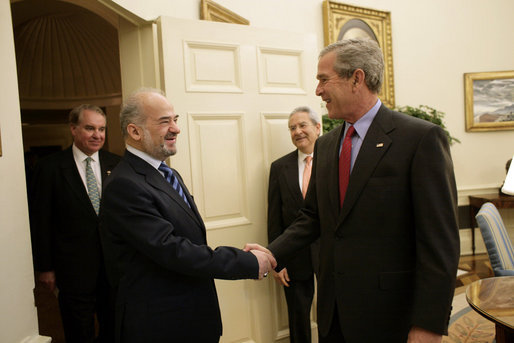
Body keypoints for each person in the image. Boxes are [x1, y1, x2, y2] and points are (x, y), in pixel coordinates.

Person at [247, 38, 460, 342]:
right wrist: (271, 253)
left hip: (391, 316)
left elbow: (440, 242)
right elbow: (312, 217)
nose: (318, 90)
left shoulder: (419, 139)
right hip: (334, 314)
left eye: (323, 79)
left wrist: (428, 324)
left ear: (356, 78)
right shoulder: (326, 145)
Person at [98, 88, 276, 343]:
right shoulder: (124, 185)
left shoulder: (165, 173)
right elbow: (173, 250)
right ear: (135, 131)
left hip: (191, 319)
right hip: (161, 327)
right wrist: (247, 262)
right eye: (164, 121)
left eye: (176, 119)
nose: (176, 129)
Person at [30, 104, 121, 342]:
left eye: (102, 129)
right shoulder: (49, 168)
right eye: (90, 128)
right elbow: (41, 220)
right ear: (73, 129)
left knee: (114, 330)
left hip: (113, 270)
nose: (97, 135)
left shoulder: (118, 165)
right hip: (73, 272)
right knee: (79, 332)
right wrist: (45, 267)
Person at [267, 106, 320, 343]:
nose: (297, 131)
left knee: (336, 315)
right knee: (298, 320)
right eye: (292, 128)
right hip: (295, 257)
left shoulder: (335, 161)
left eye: (302, 125)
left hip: (332, 255)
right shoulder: (279, 167)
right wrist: (276, 260)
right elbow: (274, 218)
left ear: (317, 128)